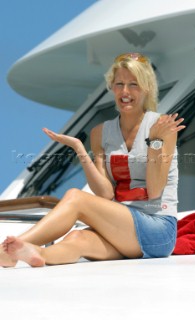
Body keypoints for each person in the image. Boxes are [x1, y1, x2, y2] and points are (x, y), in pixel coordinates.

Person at [0, 52, 185, 267]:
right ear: (112, 87)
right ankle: (37, 254)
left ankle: (9, 249)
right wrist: (79, 149)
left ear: (147, 88)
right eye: (119, 84)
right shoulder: (100, 133)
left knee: (75, 197)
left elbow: (154, 191)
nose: (125, 91)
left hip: (157, 230)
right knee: (76, 239)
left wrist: (154, 141)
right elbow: (106, 193)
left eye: (134, 84)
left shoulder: (162, 126)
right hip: (122, 230)